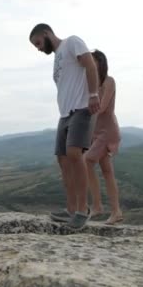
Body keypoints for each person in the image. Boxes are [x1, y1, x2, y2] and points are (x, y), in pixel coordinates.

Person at [29, 23, 100, 230]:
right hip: (65, 114)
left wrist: (94, 94)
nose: (39, 48)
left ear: (46, 33)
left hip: (81, 108)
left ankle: (82, 210)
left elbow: (89, 64)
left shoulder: (72, 42)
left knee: (74, 154)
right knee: (63, 159)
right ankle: (70, 209)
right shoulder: (57, 58)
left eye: (38, 43)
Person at [84, 50, 123, 225]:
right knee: (107, 172)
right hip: (96, 131)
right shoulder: (91, 84)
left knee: (87, 161)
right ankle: (116, 212)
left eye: (92, 61)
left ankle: (97, 205)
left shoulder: (109, 81)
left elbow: (102, 106)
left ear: (100, 62)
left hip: (107, 131)